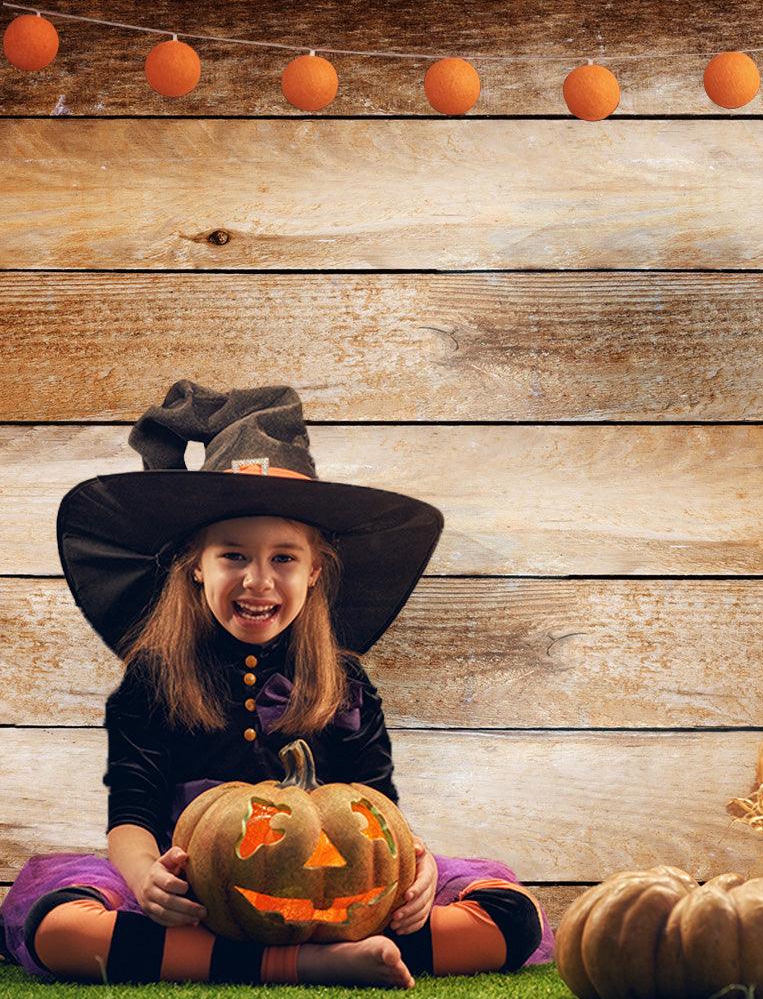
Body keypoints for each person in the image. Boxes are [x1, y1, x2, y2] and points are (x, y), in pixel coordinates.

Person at [0, 381, 553, 986]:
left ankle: (269, 962)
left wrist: (414, 869)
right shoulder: (153, 679)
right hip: (195, 893)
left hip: (335, 893)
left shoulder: (343, 680)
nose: (258, 581)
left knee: (511, 918)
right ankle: (306, 966)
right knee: (61, 927)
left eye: (283, 558)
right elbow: (132, 811)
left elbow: (377, 808)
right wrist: (145, 882)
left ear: (315, 571)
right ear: (195, 567)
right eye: (233, 556)